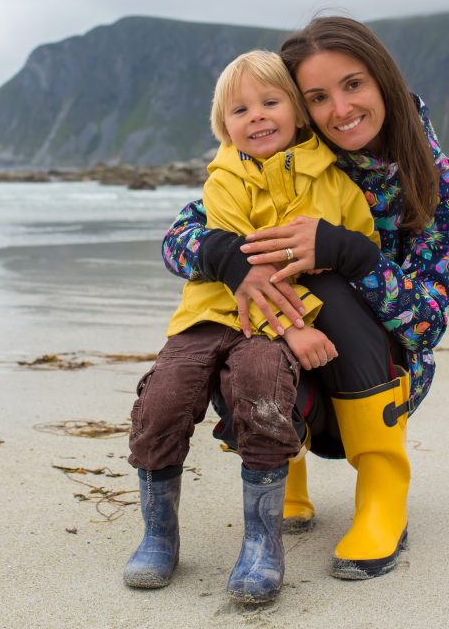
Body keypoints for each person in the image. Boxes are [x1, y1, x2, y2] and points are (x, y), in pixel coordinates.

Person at [161, 16, 449, 580]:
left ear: (384, 83)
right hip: (287, 364)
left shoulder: (431, 177)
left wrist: (353, 253)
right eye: (318, 96)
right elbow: (178, 242)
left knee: (324, 281)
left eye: (354, 85)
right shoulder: (281, 154)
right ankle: (286, 471)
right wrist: (229, 259)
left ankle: (381, 490)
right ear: (300, 108)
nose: (340, 109)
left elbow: (427, 325)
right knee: (231, 325)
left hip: (382, 374)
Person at [125, 50, 380, 604]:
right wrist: (296, 330)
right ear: (224, 126)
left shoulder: (332, 182)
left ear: (298, 111)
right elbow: (250, 271)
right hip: (211, 315)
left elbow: (359, 253)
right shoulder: (224, 181)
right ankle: (158, 535)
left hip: (266, 331)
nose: (257, 116)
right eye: (240, 110)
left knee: (263, 398)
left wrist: (339, 252)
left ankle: (263, 544)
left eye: (271, 102)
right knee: (162, 401)